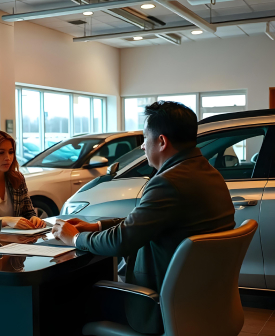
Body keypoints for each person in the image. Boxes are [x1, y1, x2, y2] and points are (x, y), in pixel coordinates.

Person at [52, 101, 235, 334]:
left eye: (144, 139)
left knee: (70, 301)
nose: (141, 148)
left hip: (157, 305)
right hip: (200, 300)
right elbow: (146, 223)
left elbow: (122, 241)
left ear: (161, 141)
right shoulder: (209, 173)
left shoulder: (168, 182)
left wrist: (76, 239)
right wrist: (96, 226)